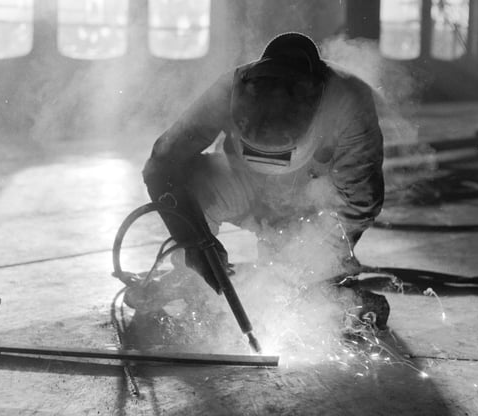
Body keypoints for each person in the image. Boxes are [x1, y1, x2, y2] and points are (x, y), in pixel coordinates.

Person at [137, 32, 389, 328]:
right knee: (190, 186)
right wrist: (194, 242)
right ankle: (195, 276)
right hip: (244, 188)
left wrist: (311, 261)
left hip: (310, 206)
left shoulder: (347, 100)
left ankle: (327, 286)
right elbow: (161, 163)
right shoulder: (229, 88)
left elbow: (359, 202)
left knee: (305, 298)